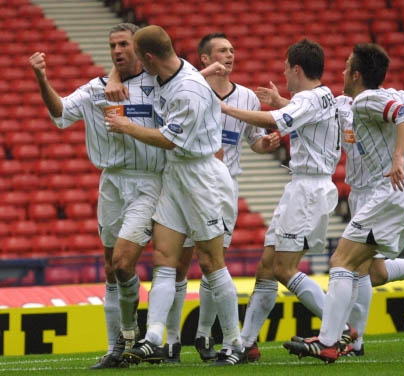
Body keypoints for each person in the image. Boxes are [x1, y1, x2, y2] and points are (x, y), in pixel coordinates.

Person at [284, 43, 404, 363]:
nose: (340, 72)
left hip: (389, 190)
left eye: (345, 67)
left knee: (343, 262)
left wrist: (398, 157)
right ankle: (349, 338)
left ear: (356, 75)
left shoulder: (367, 98)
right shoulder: (368, 98)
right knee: (366, 269)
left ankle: (331, 340)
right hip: (395, 191)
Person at [105, 25, 246, 366]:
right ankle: (154, 336)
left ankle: (234, 342)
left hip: (201, 176)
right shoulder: (169, 70)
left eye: (141, 58)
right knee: (164, 260)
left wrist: (127, 127)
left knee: (212, 262)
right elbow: (134, 65)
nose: (139, 66)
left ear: (150, 58)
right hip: (175, 175)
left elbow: (171, 140)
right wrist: (113, 76)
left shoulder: (189, 91)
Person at [29, 23, 165, 369]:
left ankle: (134, 333)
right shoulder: (96, 89)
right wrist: (42, 78)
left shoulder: (160, 84)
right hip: (111, 184)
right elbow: (60, 113)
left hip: (149, 182)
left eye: (124, 44)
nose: (117, 51)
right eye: (113, 46)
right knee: (110, 269)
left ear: (138, 48)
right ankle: (114, 349)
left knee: (122, 262)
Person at [161, 32, 280, 363]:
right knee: (180, 262)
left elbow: (254, 140)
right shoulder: (188, 88)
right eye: (222, 50)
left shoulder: (246, 98)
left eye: (232, 50)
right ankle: (171, 339)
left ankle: (202, 335)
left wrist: (263, 145)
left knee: (212, 261)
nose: (230, 55)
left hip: (223, 185)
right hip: (186, 180)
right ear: (203, 58)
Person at [220, 39, 342, 360]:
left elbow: (275, 121)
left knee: (285, 269)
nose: (283, 72)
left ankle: (338, 332)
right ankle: (247, 344)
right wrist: (282, 100)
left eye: (286, 67)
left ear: (297, 68)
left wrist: (228, 109)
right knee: (266, 267)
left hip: (308, 191)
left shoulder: (310, 99)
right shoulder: (320, 96)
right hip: (302, 188)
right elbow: (301, 114)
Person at [337, 93, 404, 356]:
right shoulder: (339, 102)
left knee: (354, 267)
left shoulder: (390, 98)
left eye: (349, 65)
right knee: (376, 273)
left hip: (382, 189)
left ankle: (352, 342)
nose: (343, 70)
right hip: (359, 191)